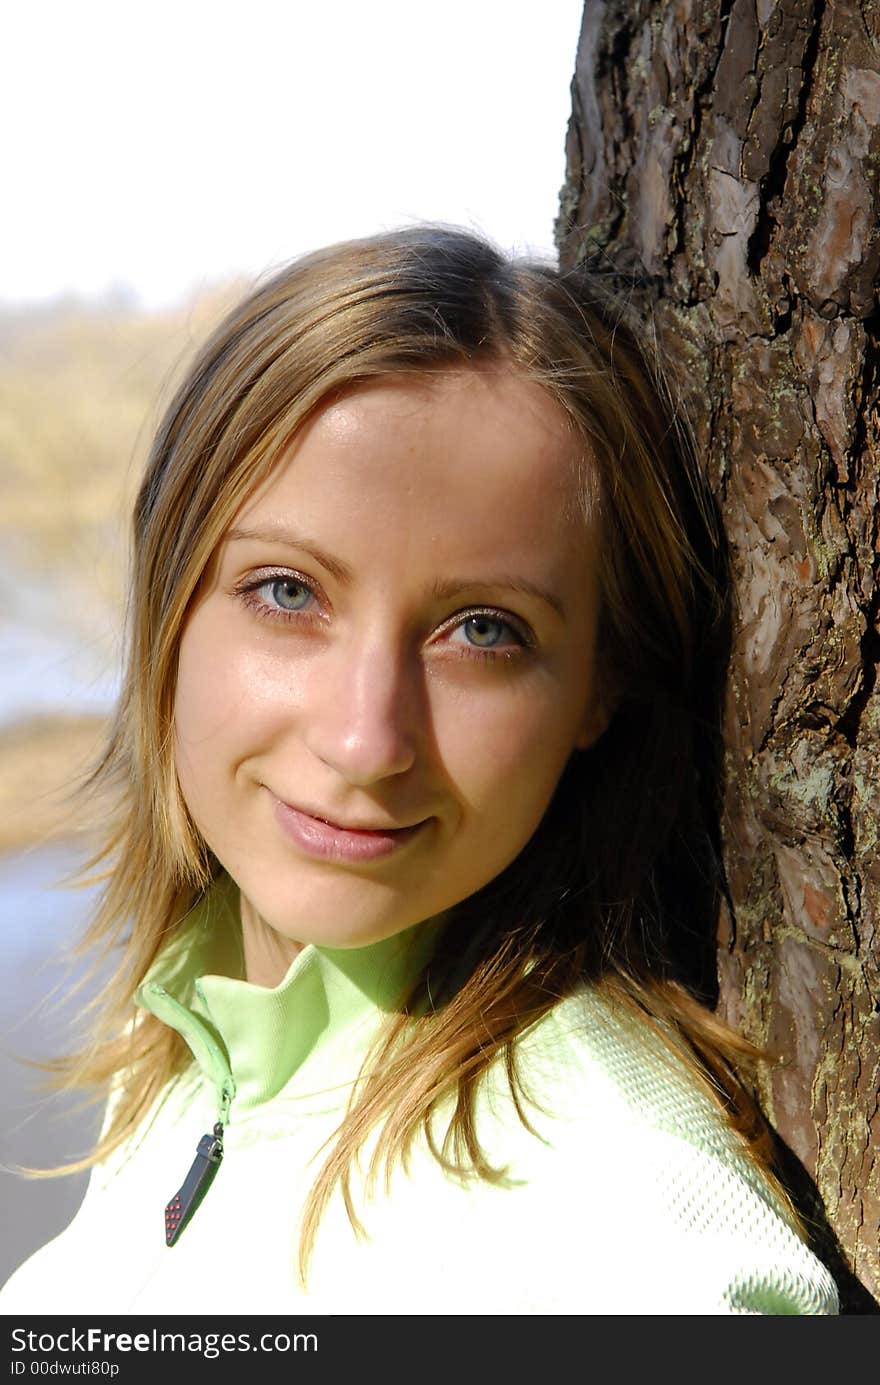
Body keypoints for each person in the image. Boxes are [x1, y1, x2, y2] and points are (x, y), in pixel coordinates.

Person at [1, 226, 838, 1315]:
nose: (364, 741)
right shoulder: (192, 1036)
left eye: (482, 629)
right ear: (170, 602)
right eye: (288, 593)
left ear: (598, 685)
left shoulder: (610, 1208)